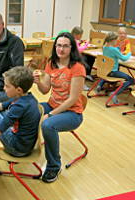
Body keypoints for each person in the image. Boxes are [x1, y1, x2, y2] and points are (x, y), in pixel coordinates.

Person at [33, 32, 86, 183]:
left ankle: (54, 166)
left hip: (72, 113)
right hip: (52, 105)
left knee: (48, 125)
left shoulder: (77, 68)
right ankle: (24, 149)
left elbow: (73, 99)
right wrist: (38, 82)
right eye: (59, 45)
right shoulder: (52, 63)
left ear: (71, 48)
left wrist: (50, 115)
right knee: (30, 110)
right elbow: (45, 90)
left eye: (65, 46)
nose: (61, 49)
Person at [96, 32, 133, 104]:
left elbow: (113, 51)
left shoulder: (105, 47)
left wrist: (118, 47)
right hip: (113, 72)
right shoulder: (114, 50)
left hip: (106, 71)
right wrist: (129, 53)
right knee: (131, 80)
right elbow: (124, 58)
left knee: (106, 75)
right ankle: (115, 93)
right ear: (112, 40)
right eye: (116, 40)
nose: (117, 41)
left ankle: (99, 85)